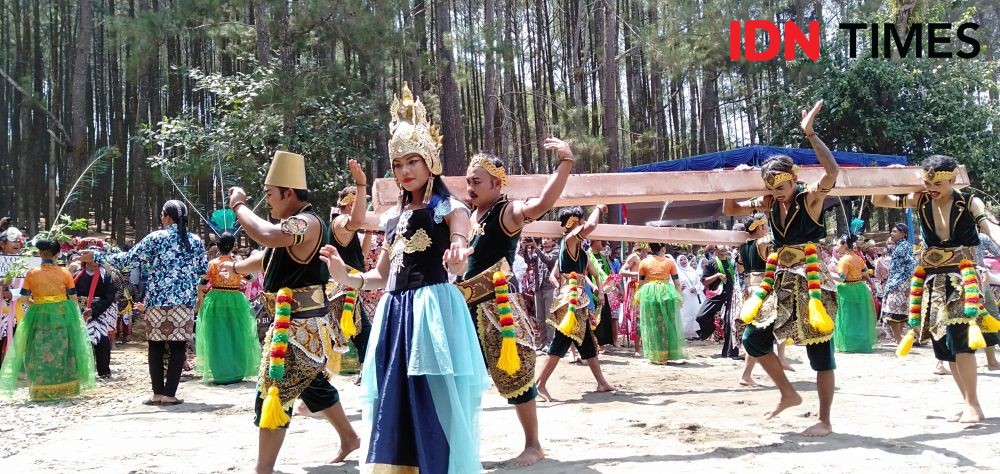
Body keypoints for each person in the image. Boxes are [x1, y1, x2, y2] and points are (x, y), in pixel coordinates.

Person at [320, 82, 488, 473]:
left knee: (432, 398)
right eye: (398, 164)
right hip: (394, 315)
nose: (405, 170)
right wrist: (348, 276)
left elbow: (459, 237)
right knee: (391, 402)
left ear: (430, 161)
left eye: (413, 161)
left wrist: (459, 255)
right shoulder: (391, 218)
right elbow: (382, 275)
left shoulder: (448, 205)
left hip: (431, 312)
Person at [225, 150, 361, 473]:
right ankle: (349, 436)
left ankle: (263, 468)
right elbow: (265, 257)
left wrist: (239, 206)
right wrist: (237, 266)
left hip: (297, 329)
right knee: (312, 386)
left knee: (274, 392)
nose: (267, 201)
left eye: (270, 194)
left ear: (288, 193)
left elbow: (268, 236)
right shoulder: (290, 228)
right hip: (293, 325)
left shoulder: (307, 222)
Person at [723, 99, 839, 437]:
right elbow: (731, 207)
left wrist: (811, 134)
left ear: (793, 179)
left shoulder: (810, 198)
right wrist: (735, 178)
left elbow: (832, 172)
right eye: (771, 187)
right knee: (753, 339)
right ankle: (788, 393)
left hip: (813, 279)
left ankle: (825, 420)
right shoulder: (769, 202)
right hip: (779, 280)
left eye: (782, 186)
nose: (778, 193)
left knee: (820, 351)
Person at [459, 138, 575, 466]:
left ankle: (533, 445)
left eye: (477, 181)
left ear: (497, 183)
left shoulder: (507, 211)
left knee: (516, 375)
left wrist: (565, 164)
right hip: (466, 307)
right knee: (463, 376)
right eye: (468, 181)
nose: (470, 186)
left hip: (497, 307)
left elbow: (541, 204)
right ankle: (465, 446)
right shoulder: (470, 216)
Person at [874, 155, 1000, 424]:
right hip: (932, 281)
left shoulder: (968, 201)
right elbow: (879, 200)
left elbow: (991, 229)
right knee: (944, 345)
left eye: (937, 182)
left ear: (952, 179)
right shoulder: (919, 199)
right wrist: (890, 177)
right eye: (927, 181)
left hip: (961, 277)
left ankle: (974, 405)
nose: (931, 187)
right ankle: (967, 401)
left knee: (960, 339)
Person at [83, 200, 207, 406]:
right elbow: (203, 269)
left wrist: (96, 255)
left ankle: (158, 393)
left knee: (156, 346)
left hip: (157, 301)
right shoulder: (194, 240)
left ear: (167, 216)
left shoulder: (156, 238)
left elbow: (126, 261)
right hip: (184, 301)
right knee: (178, 347)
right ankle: (170, 395)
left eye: (161, 214)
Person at [535, 205, 615, 401]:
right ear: (573, 223)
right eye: (579, 221)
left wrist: (595, 287)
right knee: (560, 342)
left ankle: (601, 382)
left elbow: (588, 274)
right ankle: (539, 384)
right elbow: (592, 225)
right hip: (569, 300)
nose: (582, 225)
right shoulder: (570, 240)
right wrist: (598, 207)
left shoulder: (579, 250)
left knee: (587, 341)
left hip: (577, 299)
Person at [0, 239, 96, 400]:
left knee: (38, 348)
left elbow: (23, 298)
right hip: (62, 314)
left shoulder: (32, 273)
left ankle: (40, 388)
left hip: (38, 314)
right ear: (57, 255)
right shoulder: (64, 272)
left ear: (40, 253)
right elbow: (72, 297)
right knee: (64, 348)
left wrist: (36, 305)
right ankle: (66, 387)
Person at [194, 232, 260, 385]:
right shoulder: (236, 264)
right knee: (237, 335)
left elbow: (202, 283)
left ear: (217, 246)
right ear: (233, 246)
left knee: (217, 336)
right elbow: (252, 278)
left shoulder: (212, 264)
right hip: (236, 300)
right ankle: (236, 371)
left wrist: (200, 296)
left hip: (215, 300)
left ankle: (220, 373)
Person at [326, 166, 374, 366]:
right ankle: (365, 369)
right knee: (360, 333)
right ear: (351, 204)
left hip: (348, 285)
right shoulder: (340, 222)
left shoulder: (349, 229)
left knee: (357, 332)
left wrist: (369, 231)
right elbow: (356, 220)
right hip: (341, 288)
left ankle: (362, 368)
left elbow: (361, 256)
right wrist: (360, 183)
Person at [635, 242, 684, 364]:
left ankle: (655, 355)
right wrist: (679, 297)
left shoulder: (644, 262)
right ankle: (667, 353)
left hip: (649, 292)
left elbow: (640, 283)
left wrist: (638, 298)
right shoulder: (669, 262)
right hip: (666, 293)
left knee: (652, 322)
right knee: (668, 322)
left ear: (651, 249)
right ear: (662, 249)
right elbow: (677, 283)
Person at [73, 251, 118, 378]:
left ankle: (103, 371)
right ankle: (81, 370)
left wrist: (94, 310)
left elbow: (109, 297)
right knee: (81, 340)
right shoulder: (76, 275)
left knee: (102, 340)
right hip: (79, 312)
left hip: (98, 312)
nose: (94, 260)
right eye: (91, 257)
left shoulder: (107, 277)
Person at [833, 235, 877, 353]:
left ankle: (848, 344)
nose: (836, 248)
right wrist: (872, 284)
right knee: (859, 317)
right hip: (860, 288)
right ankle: (861, 343)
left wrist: (827, 274)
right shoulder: (858, 258)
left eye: (838, 245)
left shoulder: (844, 260)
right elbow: (864, 272)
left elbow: (842, 278)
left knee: (847, 318)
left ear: (845, 245)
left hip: (847, 289)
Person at [695, 246, 736, 357]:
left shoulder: (732, 262)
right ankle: (709, 329)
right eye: (720, 246)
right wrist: (717, 275)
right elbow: (704, 281)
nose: (724, 248)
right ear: (715, 250)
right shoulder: (711, 263)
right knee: (700, 316)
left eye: (725, 246)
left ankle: (730, 353)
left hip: (731, 296)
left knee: (730, 323)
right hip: (716, 295)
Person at [880, 223, 915, 344]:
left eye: (895, 231)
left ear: (903, 234)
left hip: (899, 283)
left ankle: (900, 338)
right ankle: (901, 337)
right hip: (898, 281)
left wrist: (903, 276)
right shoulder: (900, 245)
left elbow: (911, 263)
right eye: (892, 231)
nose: (891, 233)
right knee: (897, 312)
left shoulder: (903, 246)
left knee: (892, 311)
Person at [526, 237, 559, 350]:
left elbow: (548, 260)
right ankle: (543, 342)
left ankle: (550, 343)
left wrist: (535, 247)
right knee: (539, 318)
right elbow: (528, 261)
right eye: (543, 239)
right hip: (538, 288)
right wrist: (526, 247)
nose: (544, 240)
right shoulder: (539, 251)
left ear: (554, 241)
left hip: (550, 288)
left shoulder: (556, 252)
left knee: (549, 318)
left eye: (548, 239)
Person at [619, 242, 650, 351]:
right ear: (641, 249)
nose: (648, 252)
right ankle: (637, 348)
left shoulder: (648, 259)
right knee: (637, 317)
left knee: (647, 317)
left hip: (646, 289)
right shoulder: (634, 257)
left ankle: (646, 345)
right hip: (635, 289)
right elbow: (622, 271)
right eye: (646, 250)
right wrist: (636, 274)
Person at [675, 254, 703, 338]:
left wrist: (696, 288)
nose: (683, 261)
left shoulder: (692, 270)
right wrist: (680, 288)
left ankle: (694, 333)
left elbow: (698, 282)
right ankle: (684, 334)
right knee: (684, 313)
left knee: (694, 312)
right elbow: (675, 284)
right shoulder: (677, 272)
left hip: (693, 295)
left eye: (684, 259)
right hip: (684, 295)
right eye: (681, 260)